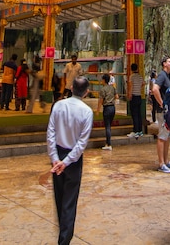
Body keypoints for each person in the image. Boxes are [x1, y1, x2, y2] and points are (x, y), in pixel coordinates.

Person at [47, 76, 93, 245]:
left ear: (71, 87)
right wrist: (66, 162)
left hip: (58, 154)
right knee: (69, 201)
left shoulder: (58, 106)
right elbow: (82, 143)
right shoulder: (87, 112)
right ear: (86, 92)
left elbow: (50, 133)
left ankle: (63, 235)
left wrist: (55, 159)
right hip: (73, 159)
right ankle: (64, 240)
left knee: (60, 198)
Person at [152, 57, 170, 173]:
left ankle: (166, 161)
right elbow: (155, 89)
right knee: (162, 136)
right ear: (164, 64)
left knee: (167, 136)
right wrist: (162, 103)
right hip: (163, 111)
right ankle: (161, 163)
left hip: (168, 111)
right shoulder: (162, 75)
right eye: (169, 62)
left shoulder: (168, 76)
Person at [98, 74, 118, 150]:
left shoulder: (103, 89)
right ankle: (108, 142)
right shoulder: (112, 88)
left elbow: (101, 100)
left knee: (107, 126)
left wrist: (98, 110)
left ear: (103, 80)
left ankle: (108, 144)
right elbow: (117, 97)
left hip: (106, 108)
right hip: (113, 108)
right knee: (109, 126)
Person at [126, 62, 145, 137]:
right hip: (139, 96)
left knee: (134, 114)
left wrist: (130, 95)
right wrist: (139, 88)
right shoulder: (140, 76)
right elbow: (143, 83)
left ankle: (135, 130)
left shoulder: (132, 76)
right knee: (139, 114)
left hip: (134, 96)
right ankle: (140, 131)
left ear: (131, 69)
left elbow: (130, 86)